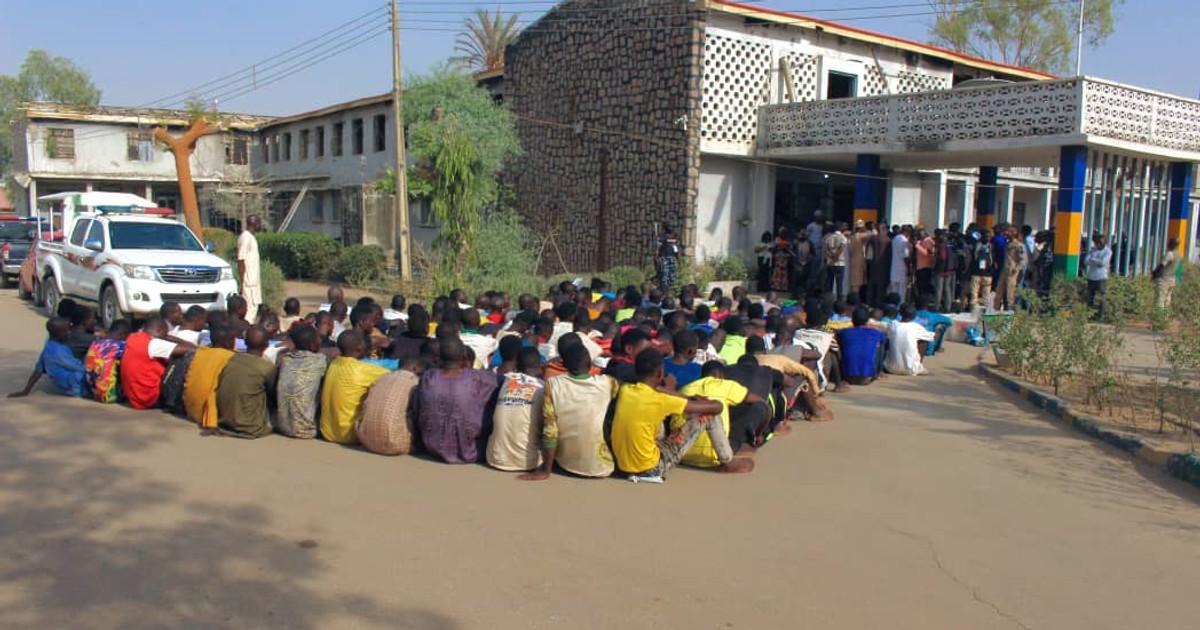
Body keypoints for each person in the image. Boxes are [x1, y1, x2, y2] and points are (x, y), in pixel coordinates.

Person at [611, 349, 754, 481]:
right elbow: (717, 408)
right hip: (652, 469)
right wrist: (704, 401)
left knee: (650, 419)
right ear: (660, 373)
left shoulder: (626, 390)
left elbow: (656, 389)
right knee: (708, 415)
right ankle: (728, 461)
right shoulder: (661, 400)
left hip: (624, 467)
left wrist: (687, 397)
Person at [519, 343, 620, 481]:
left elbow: (550, 431)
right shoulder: (608, 383)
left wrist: (546, 470)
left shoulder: (553, 384)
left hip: (565, 463)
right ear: (590, 364)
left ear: (564, 365)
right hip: (602, 466)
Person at [415, 337, 502, 464]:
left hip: (432, 447)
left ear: (438, 356)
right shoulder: (479, 378)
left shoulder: (429, 377)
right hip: (471, 450)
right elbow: (504, 382)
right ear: (463, 355)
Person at [671, 361, 764, 468]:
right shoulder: (725, 385)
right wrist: (760, 432)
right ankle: (733, 453)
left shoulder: (686, 388)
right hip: (713, 457)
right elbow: (759, 401)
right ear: (720, 375)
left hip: (681, 454)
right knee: (754, 407)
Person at [320, 330, 392, 444]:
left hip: (326, 432)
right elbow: (394, 376)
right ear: (359, 349)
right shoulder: (363, 369)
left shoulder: (333, 363)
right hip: (350, 435)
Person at [486, 348, 546, 472]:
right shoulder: (544, 387)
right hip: (528, 462)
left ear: (517, 365)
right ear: (541, 365)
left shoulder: (506, 379)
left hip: (495, 458)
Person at [217, 326, 278, 438]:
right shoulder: (267, 367)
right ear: (267, 345)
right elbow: (274, 395)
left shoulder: (231, 359)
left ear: (245, 342)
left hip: (224, 423)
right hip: (252, 427)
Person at [121, 317, 193, 410]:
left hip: (134, 397)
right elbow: (191, 348)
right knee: (182, 358)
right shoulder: (153, 343)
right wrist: (170, 338)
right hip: (148, 397)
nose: (166, 336)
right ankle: (174, 401)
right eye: (165, 333)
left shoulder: (133, 338)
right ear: (159, 331)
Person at [356, 357, 422, 456]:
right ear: (415, 368)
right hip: (395, 444)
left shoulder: (381, 378)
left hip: (366, 440)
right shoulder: (414, 382)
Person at [275, 324, 330, 439]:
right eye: (318, 338)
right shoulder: (320, 361)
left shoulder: (286, 359)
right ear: (312, 344)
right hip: (305, 431)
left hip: (282, 426)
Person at [9, 317, 86, 398]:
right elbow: (78, 367)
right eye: (66, 331)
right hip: (74, 385)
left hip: (70, 382)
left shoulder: (49, 346)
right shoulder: (58, 352)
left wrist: (26, 390)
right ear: (58, 333)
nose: (69, 332)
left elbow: (38, 369)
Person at [182, 323, 237, 435]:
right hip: (209, 415)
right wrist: (211, 422)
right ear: (228, 342)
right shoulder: (230, 357)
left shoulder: (199, 352)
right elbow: (213, 389)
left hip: (191, 410)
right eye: (233, 339)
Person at [835, 307, 887, 385]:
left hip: (847, 376)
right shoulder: (874, 332)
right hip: (867, 377)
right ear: (867, 321)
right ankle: (879, 371)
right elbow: (884, 340)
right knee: (881, 345)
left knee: (840, 342)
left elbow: (836, 334)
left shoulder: (845, 332)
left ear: (852, 320)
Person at [85, 320, 131, 403]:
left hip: (93, 392)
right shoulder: (120, 345)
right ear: (124, 335)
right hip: (110, 395)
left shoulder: (95, 343)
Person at [885, 304, 936, 376]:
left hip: (890, 368)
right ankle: (918, 365)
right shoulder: (916, 327)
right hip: (912, 370)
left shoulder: (893, 324)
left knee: (888, 338)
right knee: (924, 341)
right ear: (914, 315)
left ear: (900, 313)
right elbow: (931, 338)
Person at [237, 214, 263, 320]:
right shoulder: (246, 237)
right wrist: (242, 283)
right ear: (254, 223)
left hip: (254, 283)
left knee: (253, 310)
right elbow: (241, 260)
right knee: (249, 313)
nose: (260, 225)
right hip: (248, 284)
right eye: (259, 223)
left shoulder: (252, 238)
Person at [995, 224, 1026, 311]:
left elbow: (1022, 260)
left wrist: (1016, 269)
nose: (1006, 233)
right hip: (1004, 271)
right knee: (998, 293)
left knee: (1010, 295)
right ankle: (995, 311)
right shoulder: (1008, 243)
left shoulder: (1018, 245)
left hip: (1011, 272)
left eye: (1008, 232)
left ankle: (1010, 312)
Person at [1084, 234, 1112, 320]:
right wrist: (1096, 262)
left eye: (1099, 244)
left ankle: (1101, 316)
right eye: (1096, 243)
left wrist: (1093, 259)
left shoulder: (1108, 251)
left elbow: (1103, 263)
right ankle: (1089, 315)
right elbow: (1086, 261)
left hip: (1101, 277)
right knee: (1089, 297)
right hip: (1091, 277)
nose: (1097, 245)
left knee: (1101, 298)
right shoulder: (1093, 250)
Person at [1153, 237, 1182, 310]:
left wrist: (1155, 273)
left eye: (1169, 242)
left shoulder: (1170, 254)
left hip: (1164, 279)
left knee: (1160, 298)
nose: (1167, 244)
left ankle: (1159, 316)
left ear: (1172, 244)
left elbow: (1162, 265)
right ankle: (1165, 316)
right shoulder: (1178, 255)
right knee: (1167, 298)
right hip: (1172, 279)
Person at [932, 230, 957, 313]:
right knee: (947, 289)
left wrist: (934, 263)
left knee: (939, 289)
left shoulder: (941, 246)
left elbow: (942, 257)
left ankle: (936, 306)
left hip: (940, 270)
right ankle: (948, 307)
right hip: (949, 270)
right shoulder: (951, 245)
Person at [968, 230, 994, 310]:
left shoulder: (989, 246)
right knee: (977, 294)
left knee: (982, 294)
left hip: (984, 273)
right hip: (980, 273)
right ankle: (976, 309)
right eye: (987, 236)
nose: (988, 238)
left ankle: (980, 309)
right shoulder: (988, 246)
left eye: (989, 237)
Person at [823, 223, 848, 300]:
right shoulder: (843, 238)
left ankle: (828, 298)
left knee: (829, 281)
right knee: (839, 283)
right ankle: (839, 300)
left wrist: (831, 256)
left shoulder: (829, 237)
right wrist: (835, 257)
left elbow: (826, 249)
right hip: (839, 263)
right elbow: (841, 248)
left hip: (830, 262)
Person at [656, 223, 680, 292]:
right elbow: (657, 249)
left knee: (671, 277)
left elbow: (676, 249)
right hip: (664, 259)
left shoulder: (673, 237)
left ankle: (669, 292)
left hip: (671, 259)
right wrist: (656, 259)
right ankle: (664, 292)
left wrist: (678, 260)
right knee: (664, 277)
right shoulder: (662, 237)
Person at [888, 226, 910, 299]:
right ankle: (900, 305)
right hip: (902, 268)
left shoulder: (895, 239)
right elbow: (905, 256)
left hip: (894, 267)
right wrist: (908, 268)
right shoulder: (904, 241)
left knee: (894, 289)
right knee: (902, 289)